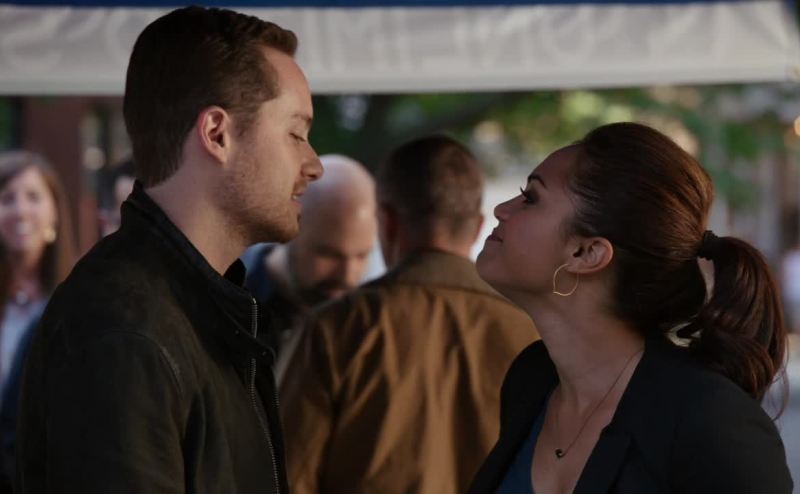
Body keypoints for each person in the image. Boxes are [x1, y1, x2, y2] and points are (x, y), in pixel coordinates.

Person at [16, 6, 322, 492]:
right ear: (217, 134)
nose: (313, 164)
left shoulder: (192, 308)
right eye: (296, 134)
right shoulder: (124, 328)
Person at [469, 122, 792, 493]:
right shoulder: (532, 378)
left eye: (530, 198)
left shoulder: (710, 422)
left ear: (587, 253)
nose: (501, 209)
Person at [280, 135, 538, 494]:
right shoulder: (535, 333)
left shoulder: (335, 329)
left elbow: (284, 475)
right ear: (479, 227)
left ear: (387, 222)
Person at [245, 154, 377, 382]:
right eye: (328, 254)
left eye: (362, 255)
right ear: (284, 226)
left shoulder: (369, 322)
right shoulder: (226, 301)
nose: (348, 275)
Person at [0, 151, 76, 489]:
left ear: (55, 212)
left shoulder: (78, 300)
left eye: (33, 197)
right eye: (7, 199)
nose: (20, 210)